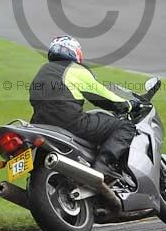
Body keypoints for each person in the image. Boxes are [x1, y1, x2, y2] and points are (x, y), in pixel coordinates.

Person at [29, 35, 138, 181]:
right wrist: (128, 104)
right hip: (70, 122)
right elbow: (102, 95)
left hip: (39, 125)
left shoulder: (42, 72)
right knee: (125, 127)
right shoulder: (74, 69)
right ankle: (102, 168)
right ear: (74, 52)